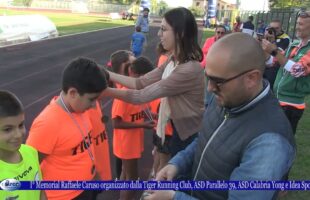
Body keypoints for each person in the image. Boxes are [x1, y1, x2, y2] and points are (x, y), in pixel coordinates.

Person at [145, 33, 296, 200]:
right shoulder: (227, 97)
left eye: (218, 81)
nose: (209, 88)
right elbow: (205, 137)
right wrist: (177, 164)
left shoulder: (269, 143)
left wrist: (173, 198)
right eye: (208, 78)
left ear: (251, 78)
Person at [101, 7, 205, 158]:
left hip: (186, 136)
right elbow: (141, 82)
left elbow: (141, 95)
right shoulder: (173, 60)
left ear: (180, 33)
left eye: (163, 29)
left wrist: (105, 91)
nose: (158, 34)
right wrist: (108, 74)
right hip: (178, 129)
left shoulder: (188, 70)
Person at [26, 57, 108, 200]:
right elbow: (29, 167)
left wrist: (94, 174)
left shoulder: (81, 109)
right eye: (91, 99)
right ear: (73, 93)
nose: (94, 105)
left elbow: (84, 147)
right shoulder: (47, 123)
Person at [112, 56, 155, 200]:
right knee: (132, 179)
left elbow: (137, 111)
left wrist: (154, 116)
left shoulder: (136, 93)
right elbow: (116, 123)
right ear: (137, 76)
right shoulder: (124, 95)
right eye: (145, 78)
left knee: (126, 174)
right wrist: (142, 124)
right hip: (126, 144)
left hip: (133, 142)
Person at [262, 11, 310, 134]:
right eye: (297, 23)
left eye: (301, 24)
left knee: (283, 140)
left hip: (292, 104)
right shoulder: (294, 45)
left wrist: (274, 52)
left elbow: (297, 70)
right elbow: (272, 62)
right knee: (274, 136)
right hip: (279, 99)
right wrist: (267, 46)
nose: (297, 27)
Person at [0, 90, 46, 200]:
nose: (18, 134)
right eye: (8, 129)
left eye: (20, 125)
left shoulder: (30, 152)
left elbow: (41, 191)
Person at [109, 50, 135, 179]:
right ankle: (119, 178)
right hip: (125, 139)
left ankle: (120, 177)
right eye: (132, 62)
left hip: (127, 139)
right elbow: (116, 122)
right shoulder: (123, 90)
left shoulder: (122, 82)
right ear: (125, 65)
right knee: (122, 158)